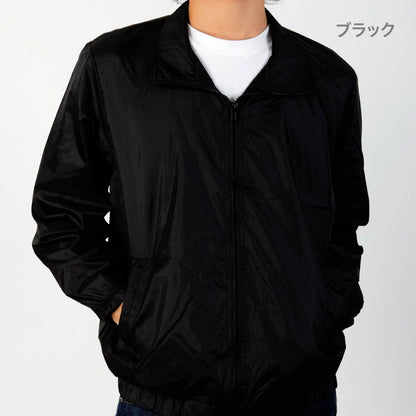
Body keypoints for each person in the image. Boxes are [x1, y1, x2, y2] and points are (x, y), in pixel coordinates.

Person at [30, 0, 369, 415]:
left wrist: (322, 314)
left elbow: (343, 223)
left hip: (299, 394)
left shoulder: (327, 78)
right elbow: (61, 214)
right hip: (161, 397)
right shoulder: (116, 66)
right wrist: (130, 310)